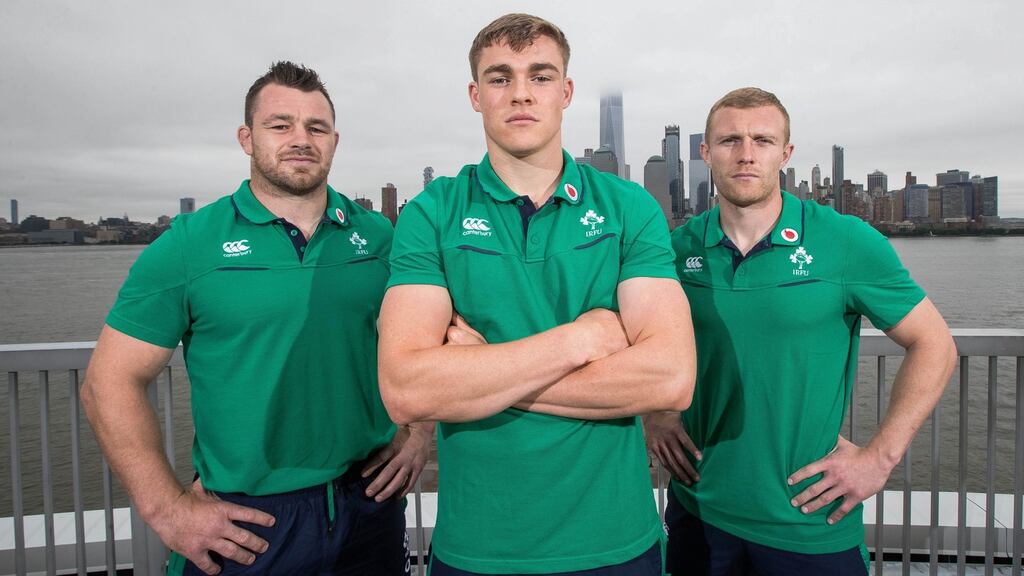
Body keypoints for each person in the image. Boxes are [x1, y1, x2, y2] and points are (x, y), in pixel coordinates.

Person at [376, 13, 696, 576]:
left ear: (565, 91)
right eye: (500, 78)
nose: (521, 93)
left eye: (540, 76)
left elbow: (670, 377)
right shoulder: (432, 212)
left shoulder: (628, 208)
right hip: (477, 547)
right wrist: (581, 338)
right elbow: (406, 390)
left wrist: (478, 373)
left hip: (616, 541)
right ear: (476, 96)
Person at [81, 61, 432, 576]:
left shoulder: (380, 237)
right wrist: (167, 508)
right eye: (279, 125)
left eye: (316, 127)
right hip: (249, 524)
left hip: (370, 505)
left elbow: (437, 341)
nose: (300, 139)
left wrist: (420, 430)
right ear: (247, 138)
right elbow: (109, 381)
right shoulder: (189, 244)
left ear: (335, 140)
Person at [645, 87, 957, 575]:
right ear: (705, 153)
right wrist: (655, 413)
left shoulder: (846, 241)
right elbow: (641, 338)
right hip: (699, 513)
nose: (746, 154)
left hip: (810, 521)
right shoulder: (676, 247)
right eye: (729, 140)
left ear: (785, 153)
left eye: (763, 140)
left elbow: (934, 343)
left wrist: (879, 457)